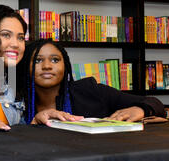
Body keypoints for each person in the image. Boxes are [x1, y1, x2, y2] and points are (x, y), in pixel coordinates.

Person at [17, 39, 166, 125]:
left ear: (66, 66)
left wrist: (140, 110)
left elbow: (155, 103)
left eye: (55, 60)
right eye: (38, 60)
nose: (47, 66)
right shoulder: (14, 102)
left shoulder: (91, 91)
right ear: (25, 66)